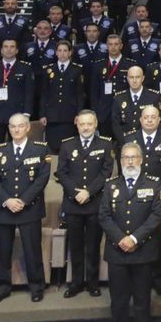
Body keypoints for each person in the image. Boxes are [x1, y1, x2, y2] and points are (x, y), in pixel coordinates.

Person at [99, 140, 161, 322]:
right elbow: (104, 216)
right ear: (120, 161)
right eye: (125, 158)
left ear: (141, 160)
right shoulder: (111, 186)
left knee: (141, 300)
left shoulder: (153, 184)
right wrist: (121, 239)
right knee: (118, 301)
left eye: (133, 157)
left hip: (143, 251)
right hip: (117, 252)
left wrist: (135, 238)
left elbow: (157, 215)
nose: (129, 161)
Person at [0, 113, 51, 304]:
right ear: (9, 128)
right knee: (2, 251)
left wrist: (23, 200)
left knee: (32, 251)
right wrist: (7, 200)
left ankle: (36, 287)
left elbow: (42, 179)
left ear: (28, 128)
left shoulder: (40, 149)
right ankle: (1, 288)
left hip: (29, 208)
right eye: (13, 126)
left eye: (20, 126)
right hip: (4, 209)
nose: (16, 130)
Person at [56, 110, 112, 298]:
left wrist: (89, 192)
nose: (86, 127)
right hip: (73, 205)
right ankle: (76, 283)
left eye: (89, 124)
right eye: (82, 124)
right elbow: (61, 173)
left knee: (93, 246)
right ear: (77, 124)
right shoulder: (66, 145)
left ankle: (93, 283)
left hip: (95, 203)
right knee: (76, 246)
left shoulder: (105, 144)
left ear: (95, 124)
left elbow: (106, 172)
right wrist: (75, 192)